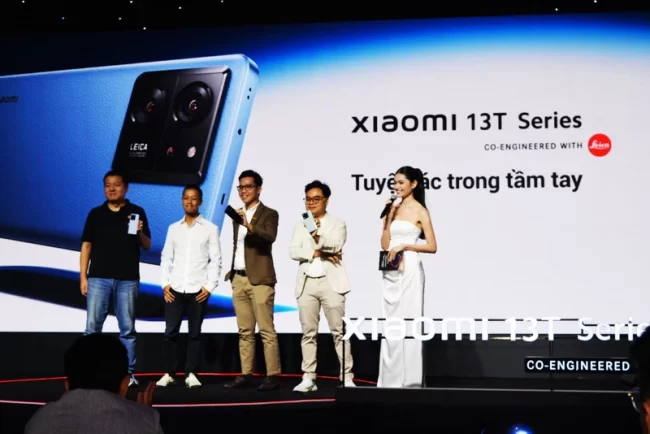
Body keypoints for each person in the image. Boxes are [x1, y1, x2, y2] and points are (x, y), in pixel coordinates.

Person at [80, 170, 151, 387]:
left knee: (127, 329)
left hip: (127, 279)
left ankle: (128, 375)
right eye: (107, 185)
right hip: (98, 278)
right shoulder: (96, 214)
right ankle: (87, 373)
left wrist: (139, 232)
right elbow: (86, 246)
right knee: (92, 329)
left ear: (126, 187)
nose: (111, 189)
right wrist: (83, 276)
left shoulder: (136, 212)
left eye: (116, 184)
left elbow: (147, 245)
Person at [289, 180, 355, 392]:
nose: (311, 203)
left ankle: (346, 376)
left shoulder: (338, 223)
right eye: (308, 199)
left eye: (316, 199)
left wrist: (317, 235)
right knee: (308, 333)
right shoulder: (301, 224)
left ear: (326, 200)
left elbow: (336, 244)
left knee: (339, 331)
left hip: (331, 283)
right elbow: (293, 251)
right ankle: (308, 377)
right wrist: (317, 252)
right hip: (307, 282)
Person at [24, 334, 163, 434]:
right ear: (124, 385)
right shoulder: (147, 423)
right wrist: (143, 416)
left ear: (67, 385)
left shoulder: (40, 421)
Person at [156, 185, 222, 389]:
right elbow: (166, 257)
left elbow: (216, 260)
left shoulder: (210, 228)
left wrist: (209, 287)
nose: (189, 202)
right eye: (186, 198)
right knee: (170, 333)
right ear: (182, 200)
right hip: (175, 288)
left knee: (195, 334)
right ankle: (169, 373)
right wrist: (165, 284)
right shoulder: (173, 228)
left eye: (194, 198)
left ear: (200, 202)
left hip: (197, 290)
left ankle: (191, 373)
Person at [378, 166, 437, 388]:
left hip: (410, 266)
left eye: (401, 182)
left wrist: (406, 246)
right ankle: (390, 380)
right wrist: (388, 217)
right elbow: (385, 243)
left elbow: (432, 246)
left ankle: (411, 381)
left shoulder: (420, 211)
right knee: (391, 323)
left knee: (410, 322)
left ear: (414, 184)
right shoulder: (393, 208)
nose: (397, 186)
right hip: (391, 269)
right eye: (395, 182)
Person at [223, 170, 281, 391]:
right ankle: (246, 374)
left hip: (260, 279)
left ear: (259, 189)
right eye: (241, 187)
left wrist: (249, 225)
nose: (243, 191)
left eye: (248, 187)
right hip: (238, 278)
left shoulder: (269, 214)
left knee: (266, 330)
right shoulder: (237, 215)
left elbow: (269, 237)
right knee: (244, 331)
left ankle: (272, 375)